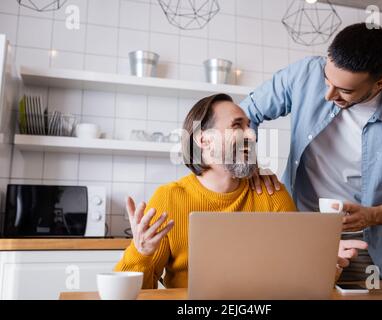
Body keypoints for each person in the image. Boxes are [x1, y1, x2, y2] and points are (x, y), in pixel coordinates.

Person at [239, 23, 382, 281]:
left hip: (362, 243)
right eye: (327, 80)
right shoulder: (304, 74)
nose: (328, 95)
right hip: (297, 229)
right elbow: (245, 114)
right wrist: (249, 165)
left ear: (380, 83)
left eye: (345, 91)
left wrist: (371, 216)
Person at [115, 93, 367, 289]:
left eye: (249, 126)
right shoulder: (170, 198)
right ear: (204, 140)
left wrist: (324, 264)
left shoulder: (270, 193)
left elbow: (299, 283)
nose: (252, 135)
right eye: (238, 126)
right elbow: (134, 292)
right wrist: (142, 252)